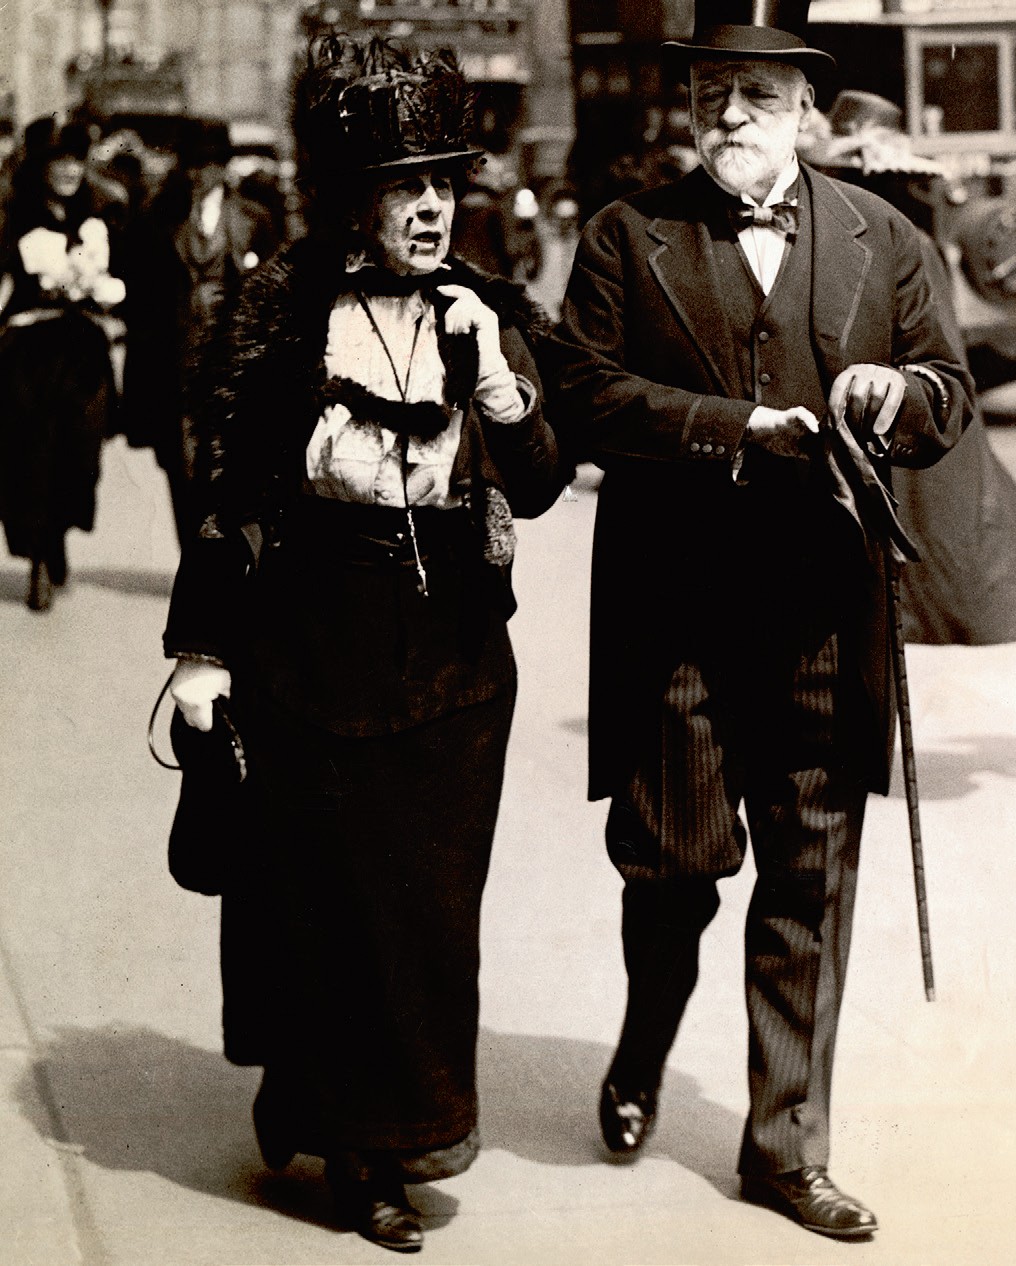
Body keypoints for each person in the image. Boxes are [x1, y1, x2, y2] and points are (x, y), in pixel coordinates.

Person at [546, 0, 974, 1242]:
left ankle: (787, 1148)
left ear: (808, 117)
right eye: (710, 95)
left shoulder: (885, 237)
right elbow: (585, 393)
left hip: (827, 614)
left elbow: (949, 394)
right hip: (675, 616)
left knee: (810, 878)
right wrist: (733, 431)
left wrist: (899, 390)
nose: (728, 115)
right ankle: (643, 1046)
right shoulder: (629, 235)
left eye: (757, 97)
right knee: (673, 868)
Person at [162, 38, 564, 1253]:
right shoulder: (285, 317)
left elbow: (543, 482)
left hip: (455, 662)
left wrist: (500, 387)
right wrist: (202, 651)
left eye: (444, 183)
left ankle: (402, 1123)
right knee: (331, 902)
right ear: (354, 201)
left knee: (430, 914)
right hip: (313, 648)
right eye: (405, 187)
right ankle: (354, 1150)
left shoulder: (484, 313)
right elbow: (229, 494)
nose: (432, 207)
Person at [801, 89, 1016, 645]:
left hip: (905, 424)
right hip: (875, 425)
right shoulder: (854, 240)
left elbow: (939, 357)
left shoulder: (906, 244)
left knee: (924, 548)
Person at [121, 119, 280, 542]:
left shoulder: (254, 218)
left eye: (210, 165)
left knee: (232, 468)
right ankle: (191, 554)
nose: (200, 174)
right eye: (194, 165)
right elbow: (138, 293)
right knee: (182, 470)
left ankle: (220, 556)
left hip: (232, 364)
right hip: (175, 366)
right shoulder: (159, 218)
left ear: (223, 167)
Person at [0, 115, 125, 610]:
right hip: (29, 352)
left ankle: (58, 535)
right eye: (60, 161)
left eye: (76, 161)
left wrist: (101, 291)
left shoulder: (99, 215)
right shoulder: (14, 216)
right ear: (41, 166)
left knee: (79, 455)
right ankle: (37, 554)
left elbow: (123, 280)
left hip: (82, 353)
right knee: (31, 454)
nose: (70, 171)